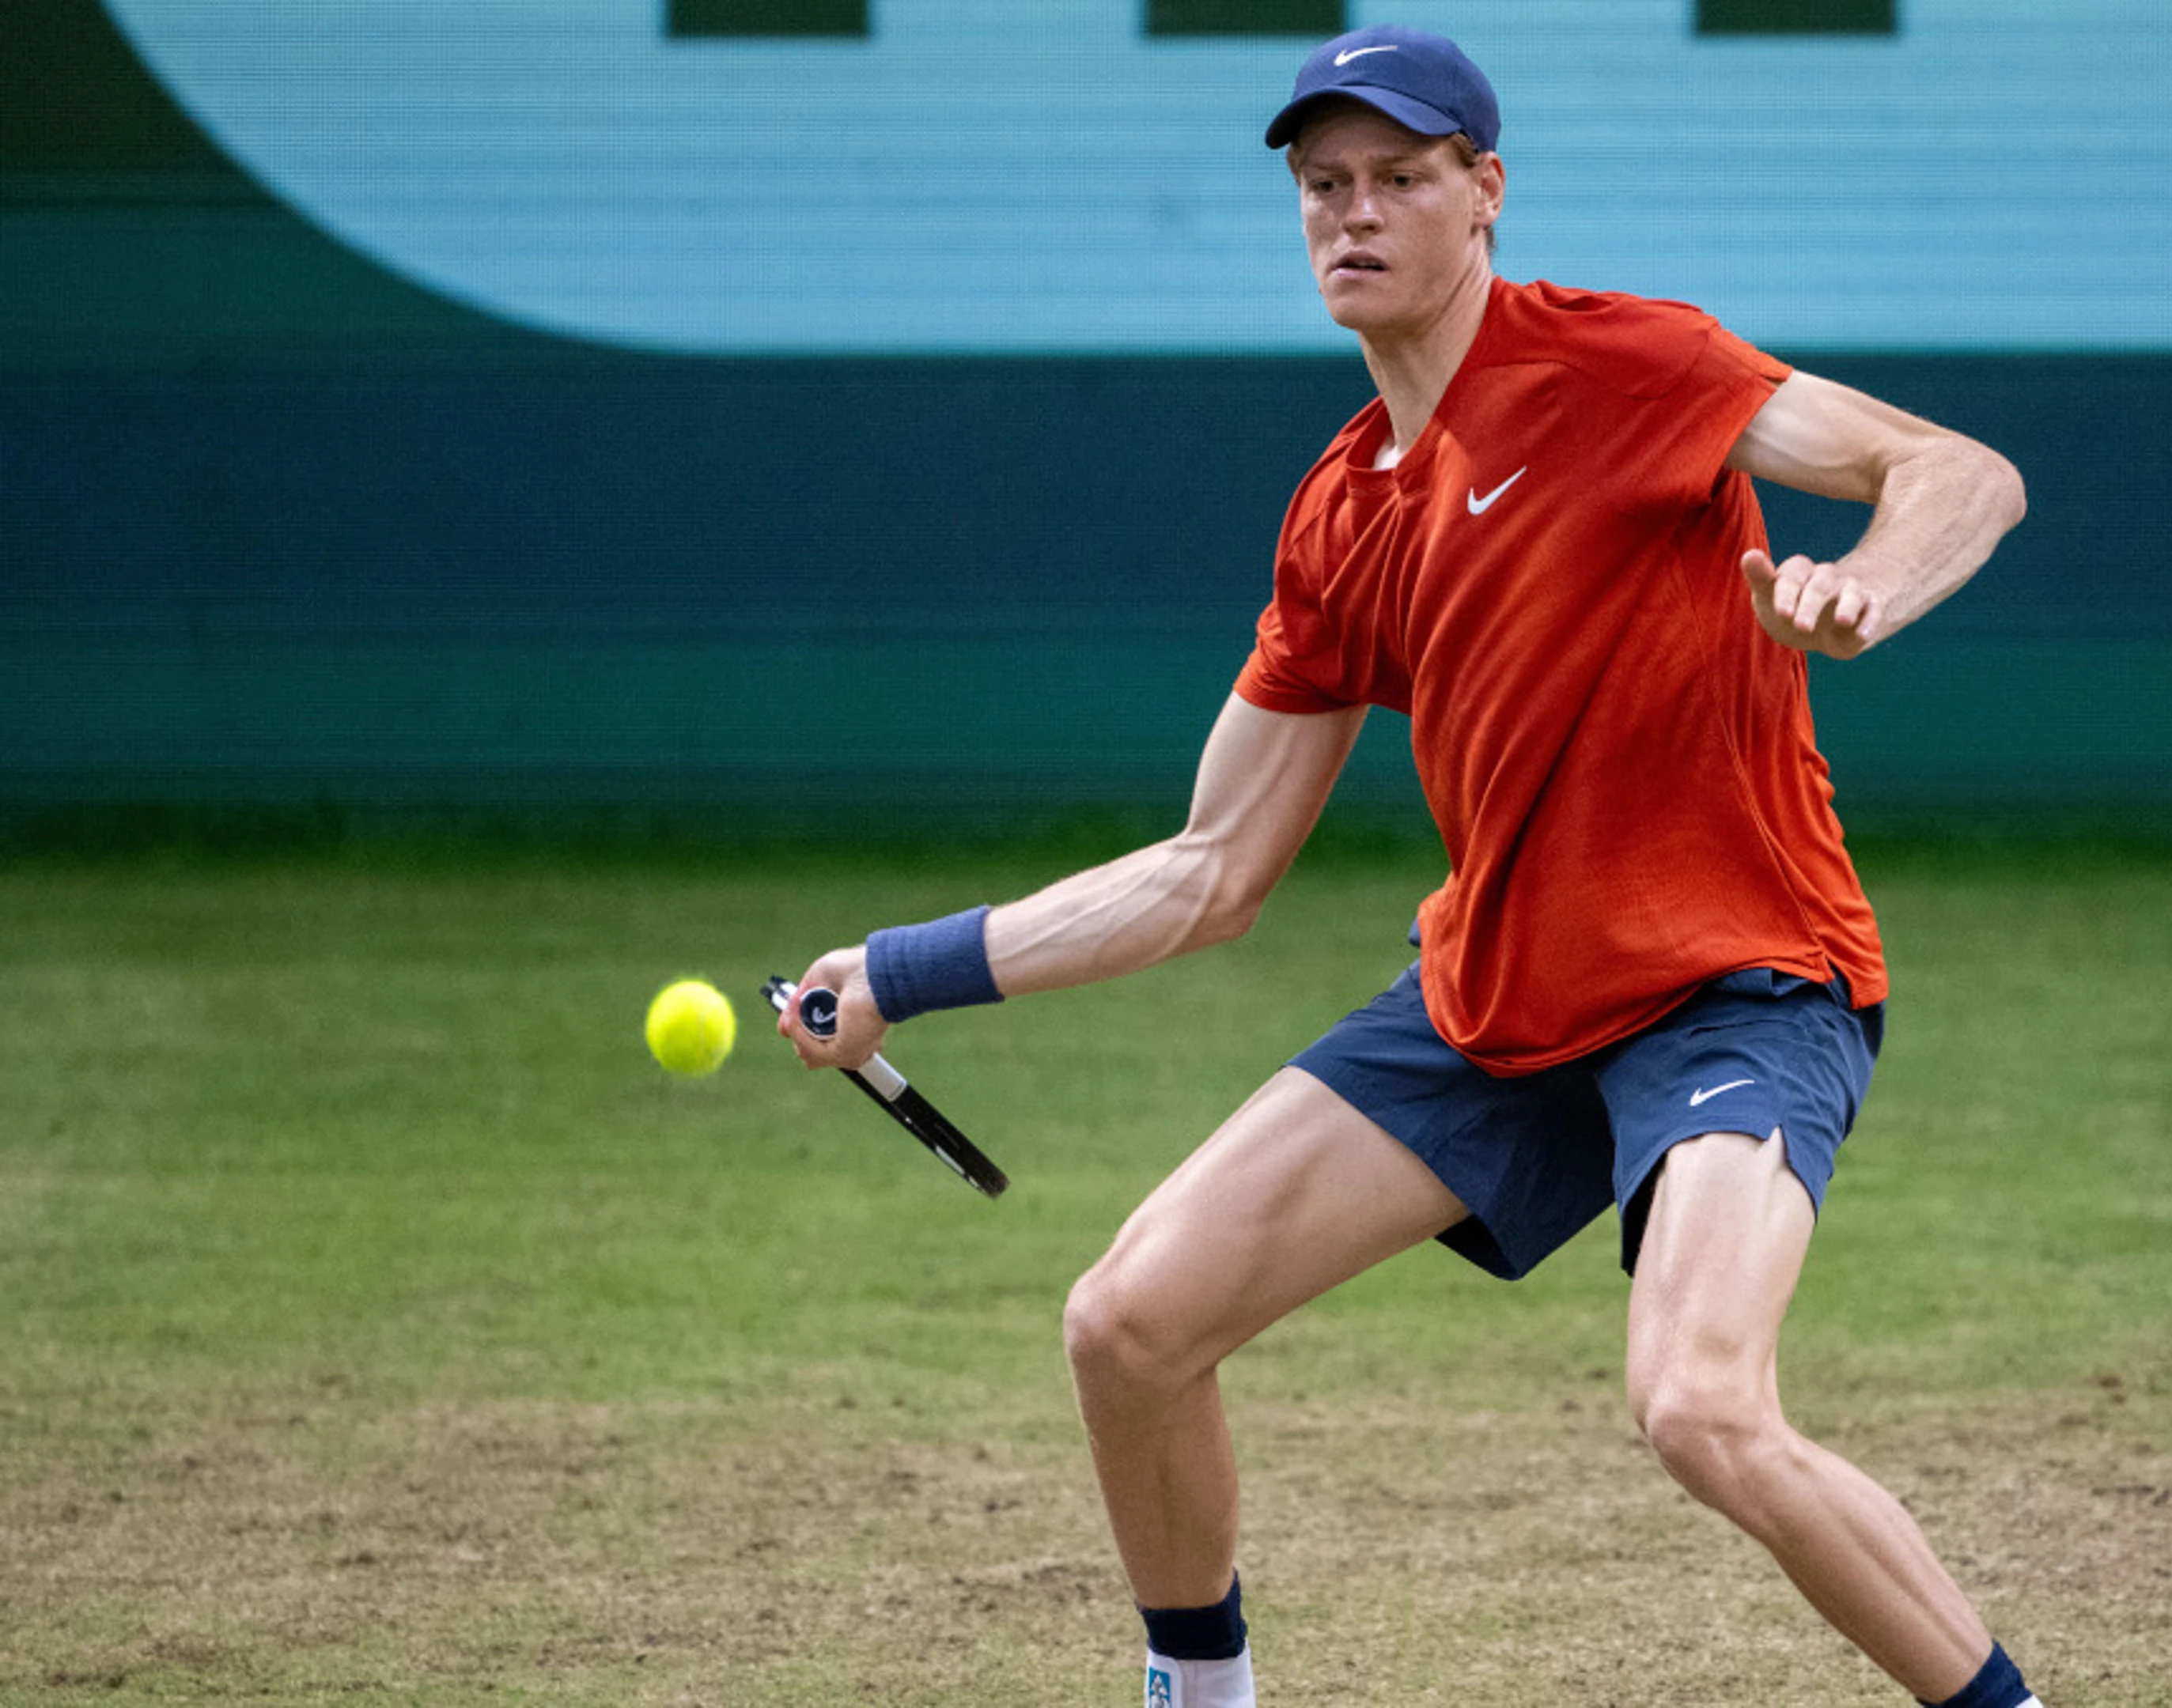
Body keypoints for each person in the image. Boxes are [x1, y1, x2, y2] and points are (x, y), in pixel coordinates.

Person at [781, 24, 2033, 1707]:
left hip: (1740, 980)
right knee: (1129, 1328)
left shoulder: (1624, 364)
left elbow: (1958, 472)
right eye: (1323, 187)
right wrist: (904, 966)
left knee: (1703, 1408)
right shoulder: (1342, 515)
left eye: (1399, 178)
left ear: (1485, 194)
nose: (1352, 216)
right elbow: (1213, 868)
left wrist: (1869, 587)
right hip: (1499, 1002)